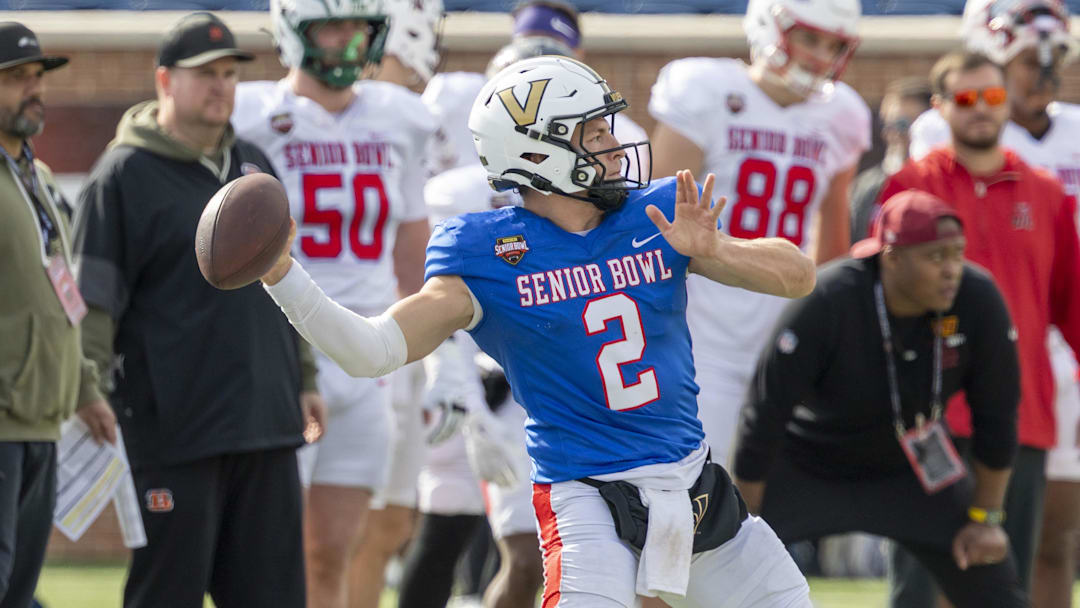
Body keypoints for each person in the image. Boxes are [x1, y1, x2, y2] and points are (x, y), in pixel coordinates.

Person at [261, 55, 818, 608]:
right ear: (540, 151)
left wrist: (718, 249)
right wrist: (282, 275)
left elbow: (798, 275)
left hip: (695, 487)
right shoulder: (489, 251)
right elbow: (370, 351)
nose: (616, 145)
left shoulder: (656, 216)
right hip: (588, 499)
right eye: (595, 133)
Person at [74, 13, 318, 608]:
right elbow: (93, 304)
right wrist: (85, 386)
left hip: (267, 421)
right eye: (206, 73)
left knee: (273, 598)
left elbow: (289, 278)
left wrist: (305, 377)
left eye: (231, 73)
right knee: (168, 593)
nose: (221, 86)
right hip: (174, 428)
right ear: (164, 80)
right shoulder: (121, 176)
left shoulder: (255, 164)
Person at [230, 1, 435, 606]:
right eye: (331, 26)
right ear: (293, 32)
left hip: (368, 349)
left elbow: (413, 250)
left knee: (333, 552)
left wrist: (436, 360)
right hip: (283, 348)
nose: (347, 43)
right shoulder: (252, 114)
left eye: (358, 28)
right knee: (272, 552)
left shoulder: (400, 117)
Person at [732, 189, 1026, 608]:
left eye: (957, 254)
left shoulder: (977, 299)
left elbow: (998, 415)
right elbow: (765, 411)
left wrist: (987, 518)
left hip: (912, 471)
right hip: (811, 462)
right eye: (935, 257)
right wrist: (744, 522)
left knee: (994, 582)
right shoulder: (831, 298)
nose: (952, 271)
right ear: (891, 257)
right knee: (729, 570)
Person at [877, 49, 1080, 608]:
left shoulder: (1047, 193)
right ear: (942, 108)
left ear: (1006, 101)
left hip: (1020, 418)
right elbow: (876, 295)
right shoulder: (908, 189)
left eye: (992, 96)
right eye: (966, 98)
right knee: (918, 587)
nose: (981, 109)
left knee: (1002, 587)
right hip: (928, 414)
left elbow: (1074, 308)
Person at [648, 0, 871, 467]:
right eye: (810, 38)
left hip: (782, 325)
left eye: (834, 45)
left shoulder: (842, 114)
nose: (820, 56)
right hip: (702, 328)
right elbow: (651, 221)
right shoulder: (705, 88)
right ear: (770, 25)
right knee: (699, 488)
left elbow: (831, 247)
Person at [0, 21, 114, 608]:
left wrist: (86, 390)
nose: (33, 90)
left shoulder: (38, 179)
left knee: (19, 594)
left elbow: (59, 295)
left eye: (36, 77)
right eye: (16, 79)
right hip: (3, 424)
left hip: (42, 422)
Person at [850, 77, 932, 242]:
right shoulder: (867, 184)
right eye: (887, 123)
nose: (893, 132)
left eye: (902, 124)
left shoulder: (941, 182)